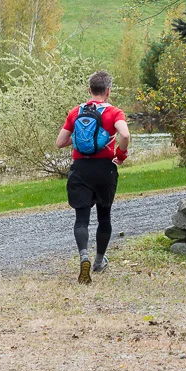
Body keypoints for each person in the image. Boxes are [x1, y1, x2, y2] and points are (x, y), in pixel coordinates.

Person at [56, 70, 131, 284]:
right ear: (108, 91)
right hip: (105, 170)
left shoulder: (75, 112)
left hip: (80, 169)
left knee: (81, 219)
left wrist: (80, 138)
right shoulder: (114, 112)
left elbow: (60, 142)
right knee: (104, 217)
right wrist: (121, 154)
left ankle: (83, 256)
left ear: (89, 90)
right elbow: (125, 134)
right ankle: (99, 261)